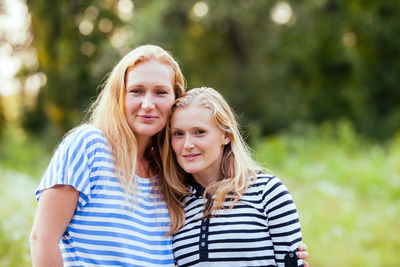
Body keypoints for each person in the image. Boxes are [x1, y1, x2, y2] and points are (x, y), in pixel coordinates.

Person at [30, 44, 309, 266]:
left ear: (174, 101)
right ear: (120, 96)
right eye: (137, 91)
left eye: (160, 92)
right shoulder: (88, 145)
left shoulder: (168, 177)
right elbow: (42, 238)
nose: (148, 104)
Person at [163, 87, 305, 266]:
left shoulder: (267, 192)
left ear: (226, 135)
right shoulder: (174, 205)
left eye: (199, 132)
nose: (187, 144)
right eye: (178, 134)